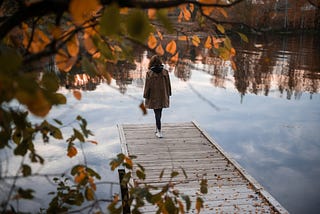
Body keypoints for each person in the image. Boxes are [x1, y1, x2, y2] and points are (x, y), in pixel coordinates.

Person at [143, 55, 171, 138]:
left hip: (154, 96)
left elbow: (147, 86)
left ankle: (159, 131)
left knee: (157, 113)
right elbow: (168, 84)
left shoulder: (149, 73)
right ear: (160, 62)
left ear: (151, 62)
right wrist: (168, 93)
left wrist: (145, 95)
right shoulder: (165, 72)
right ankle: (157, 128)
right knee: (159, 112)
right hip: (163, 95)